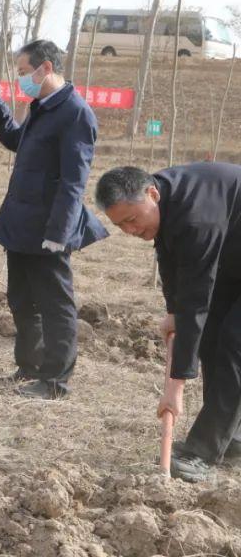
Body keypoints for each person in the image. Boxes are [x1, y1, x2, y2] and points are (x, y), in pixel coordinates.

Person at [0, 39, 107, 400]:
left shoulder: (75, 113)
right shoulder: (41, 106)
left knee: (55, 304)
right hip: (21, 222)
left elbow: (73, 181)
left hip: (49, 227)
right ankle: (29, 366)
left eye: (23, 73)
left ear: (45, 68)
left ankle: (54, 380)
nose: (21, 80)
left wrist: (59, 232)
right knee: (20, 299)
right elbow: (16, 139)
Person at [95, 164, 241, 482]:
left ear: (152, 194)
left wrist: (175, 387)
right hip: (233, 255)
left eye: (132, 220)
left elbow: (197, 297)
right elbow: (169, 255)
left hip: (228, 254)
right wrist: (173, 308)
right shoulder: (167, 197)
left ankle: (202, 452)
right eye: (121, 226)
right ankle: (232, 436)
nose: (130, 231)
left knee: (233, 346)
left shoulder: (195, 215)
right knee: (213, 338)